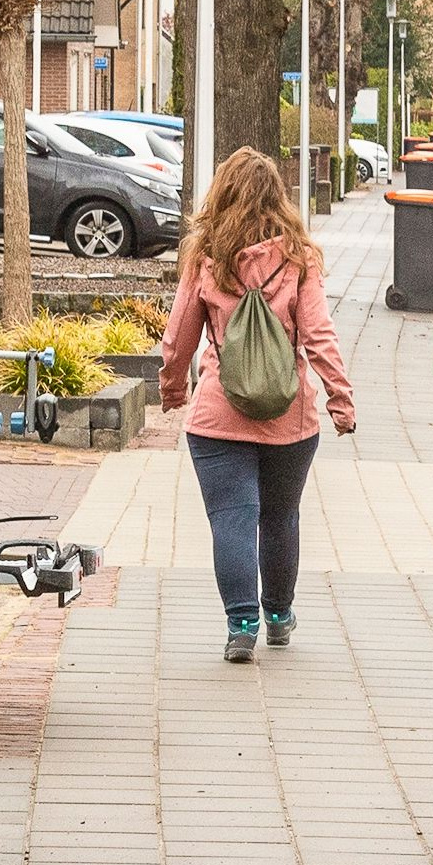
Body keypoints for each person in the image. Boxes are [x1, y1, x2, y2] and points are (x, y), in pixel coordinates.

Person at [157, 148, 357, 662]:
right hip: (290, 419)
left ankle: (240, 623)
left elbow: (179, 335)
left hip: (218, 418)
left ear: (221, 194)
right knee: (280, 515)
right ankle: (279, 616)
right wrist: (340, 397)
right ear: (278, 198)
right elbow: (318, 335)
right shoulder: (299, 260)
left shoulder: (206, 257)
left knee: (232, 517)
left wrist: (174, 389)